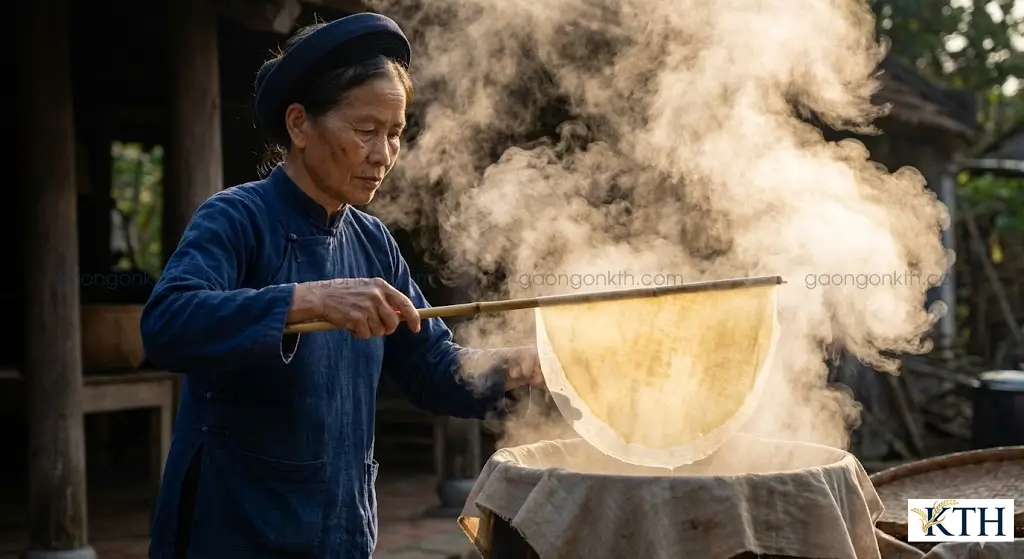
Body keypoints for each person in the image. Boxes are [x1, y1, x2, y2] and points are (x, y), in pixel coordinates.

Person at [140, 12, 544, 559]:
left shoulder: (374, 241)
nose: (382, 155)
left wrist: (524, 363)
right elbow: (167, 322)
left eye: (395, 133)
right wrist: (309, 300)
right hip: (236, 529)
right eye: (364, 131)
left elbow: (431, 367)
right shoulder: (236, 218)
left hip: (343, 532)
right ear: (301, 124)